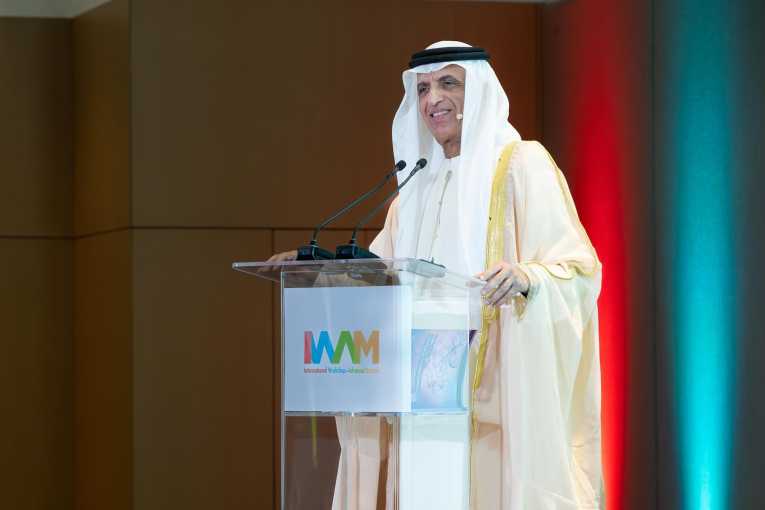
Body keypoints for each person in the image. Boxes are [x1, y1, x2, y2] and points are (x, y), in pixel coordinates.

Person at [271, 41, 603, 510]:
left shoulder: (520, 166)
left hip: (494, 397)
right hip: (419, 397)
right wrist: (319, 272)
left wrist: (527, 279)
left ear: (479, 92)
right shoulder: (412, 192)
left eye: (449, 83)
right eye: (423, 88)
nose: (433, 99)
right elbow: (378, 277)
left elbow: (579, 271)